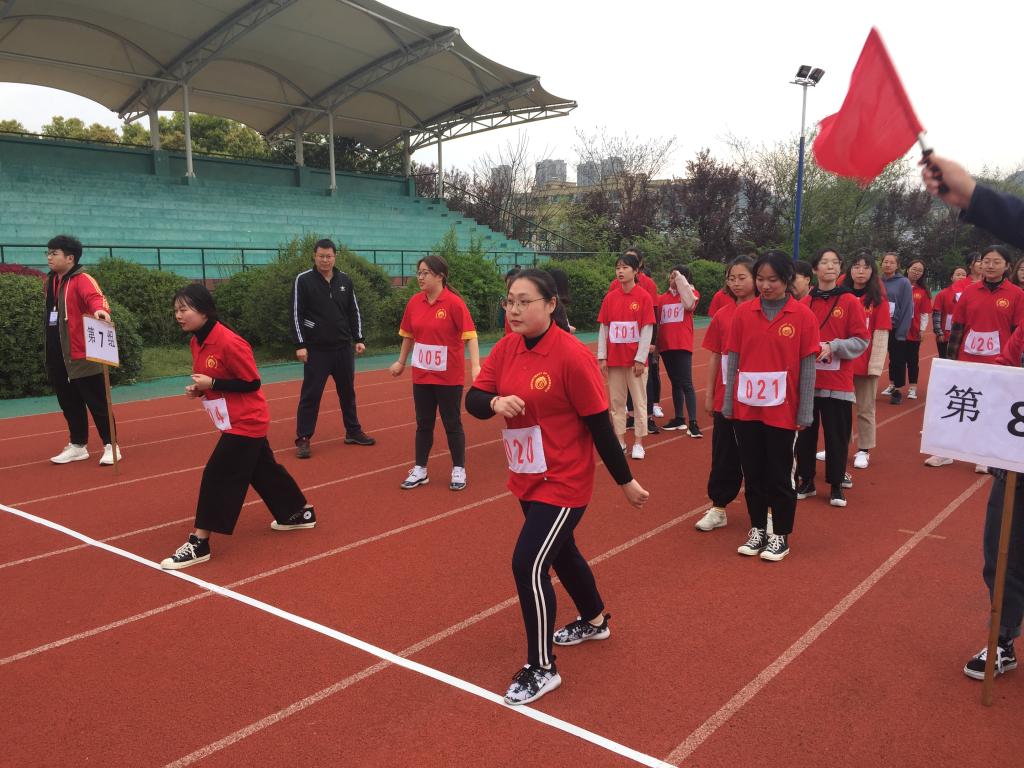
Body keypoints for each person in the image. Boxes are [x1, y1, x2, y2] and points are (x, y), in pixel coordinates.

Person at [465, 269, 649, 705]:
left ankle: (542, 668)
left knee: (528, 564)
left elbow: (600, 426)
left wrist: (625, 481)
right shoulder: (506, 348)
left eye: (523, 301)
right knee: (563, 552)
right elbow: (473, 401)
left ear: (550, 305)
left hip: (564, 480)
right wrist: (495, 402)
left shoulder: (571, 356)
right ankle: (594, 619)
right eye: (509, 301)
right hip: (526, 475)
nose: (513, 310)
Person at [921, 153, 1024, 679]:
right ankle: (1001, 639)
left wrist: (974, 195)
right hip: (1018, 451)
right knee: (1003, 547)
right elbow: (1008, 362)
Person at [161, 284, 314, 570]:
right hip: (229, 418)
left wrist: (213, 383)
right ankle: (296, 512)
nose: (178, 315)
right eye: (176, 310)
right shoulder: (197, 341)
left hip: (246, 421)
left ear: (204, 311)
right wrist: (201, 389)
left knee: (217, 475)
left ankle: (199, 542)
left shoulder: (230, 342)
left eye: (184, 309)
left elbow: (252, 382)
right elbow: (213, 377)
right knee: (262, 469)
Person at [722, 251, 819, 561]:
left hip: (783, 410)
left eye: (773, 280)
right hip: (747, 408)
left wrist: (805, 409)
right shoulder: (743, 314)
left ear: (788, 280)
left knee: (780, 473)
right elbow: (733, 360)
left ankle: (780, 534)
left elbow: (808, 366)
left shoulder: (802, 316)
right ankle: (757, 529)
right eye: (760, 279)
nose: (765, 286)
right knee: (752, 472)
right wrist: (728, 402)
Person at [390, 255, 480, 491]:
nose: (420, 277)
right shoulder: (414, 302)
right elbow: (408, 335)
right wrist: (401, 362)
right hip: (422, 375)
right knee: (423, 423)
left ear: (440, 276)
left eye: (425, 273)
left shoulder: (454, 303)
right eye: (418, 272)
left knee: (452, 422)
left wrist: (475, 366)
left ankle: (458, 468)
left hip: (448, 377)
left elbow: (471, 336)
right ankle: (420, 469)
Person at [794, 248, 869, 507]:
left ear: (840, 268)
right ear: (815, 269)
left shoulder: (850, 301)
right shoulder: (804, 304)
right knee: (806, 434)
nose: (830, 266)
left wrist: (833, 346)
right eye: (824, 262)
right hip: (808, 382)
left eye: (835, 262)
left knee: (837, 436)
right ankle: (806, 480)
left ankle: (836, 484)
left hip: (838, 383)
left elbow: (862, 341)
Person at [291, 238, 374, 459]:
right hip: (316, 350)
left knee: (347, 392)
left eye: (329, 256)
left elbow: (353, 311)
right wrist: (300, 344)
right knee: (311, 395)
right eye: (321, 256)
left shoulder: (345, 279)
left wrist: (358, 338)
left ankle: (353, 431)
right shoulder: (303, 280)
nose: (325, 260)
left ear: (335, 257)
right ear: (314, 256)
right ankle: (304, 438)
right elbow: (296, 313)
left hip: (343, 348)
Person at [43, 234, 121, 467]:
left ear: (70, 258)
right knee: (69, 403)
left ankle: (111, 445)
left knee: (97, 402)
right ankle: (78, 445)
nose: (49, 257)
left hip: (82, 353)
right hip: (58, 353)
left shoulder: (82, 279)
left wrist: (101, 312)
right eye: (48, 253)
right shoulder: (50, 281)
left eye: (54, 253)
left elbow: (96, 298)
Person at [695, 255, 756, 531]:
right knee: (724, 455)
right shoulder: (723, 315)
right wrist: (710, 395)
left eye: (742, 277)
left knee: (757, 456)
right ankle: (719, 507)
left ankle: (765, 513)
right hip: (726, 398)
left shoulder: (766, 313)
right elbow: (716, 356)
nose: (736, 283)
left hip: (756, 400)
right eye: (731, 278)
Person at [597, 253, 656, 459]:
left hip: (635, 362)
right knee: (616, 402)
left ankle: (639, 442)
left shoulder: (644, 297)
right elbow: (604, 328)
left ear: (635, 271)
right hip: (615, 360)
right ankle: (620, 440)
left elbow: (647, 329)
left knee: (639, 402)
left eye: (625, 268)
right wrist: (602, 356)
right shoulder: (610, 298)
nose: (620, 271)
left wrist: (640, 358)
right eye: (618, 268)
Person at [842, 250, 891, 470]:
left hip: (865, 363)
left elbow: (881, 333)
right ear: (849, 270)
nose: (860, 271)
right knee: (840, 409)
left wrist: (876, 365)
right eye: (856, 266)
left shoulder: (877, 300)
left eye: (866, 267)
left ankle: (864, 449)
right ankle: (839, 446)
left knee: (865, 408)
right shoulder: (840, 296)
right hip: (841, 362)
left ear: (872, 272)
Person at [656, 264, 701, 436]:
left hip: (682, 345)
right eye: (671, 276)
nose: (672, 279)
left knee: (686, 383)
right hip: (666, 347)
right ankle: (679, 418)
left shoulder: (691, 294)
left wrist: (681, 281)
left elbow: (689, 304)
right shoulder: (662, 298)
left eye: (676, 276)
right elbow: (658, 322)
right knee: (675, 383)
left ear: (684, 279)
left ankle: (693, 423)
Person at [879, 252, 914, 405]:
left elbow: (907, 308)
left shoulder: (903, 282)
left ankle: (897, 390)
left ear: (897, 265)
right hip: (878, 327)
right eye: (885, 262)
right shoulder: (876, 281)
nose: (888, 265)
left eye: (891, 262)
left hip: (895, 327)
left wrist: (902, 331)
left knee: (897, 360)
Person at [903, 259, 932, 400]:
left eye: (920, 271)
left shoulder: (922, 291)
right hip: (897, 329)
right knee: (896, 358)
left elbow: (924, 313)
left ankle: (913, 387)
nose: (916, 272)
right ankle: (893, 384)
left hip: (913, 330)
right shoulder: (899, 286)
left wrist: (922, 329)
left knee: (912, 359)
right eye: (914, 269)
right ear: (908, 269)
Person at [931, 266, 967, 361]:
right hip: (946, 336)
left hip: (964, 337)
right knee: (946, 362)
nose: (961, 277)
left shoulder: (970, 293)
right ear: (952, 277)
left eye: (964, 275)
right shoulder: (943, 294)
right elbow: (937, 315)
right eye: (958, 274)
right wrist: (939, 333)